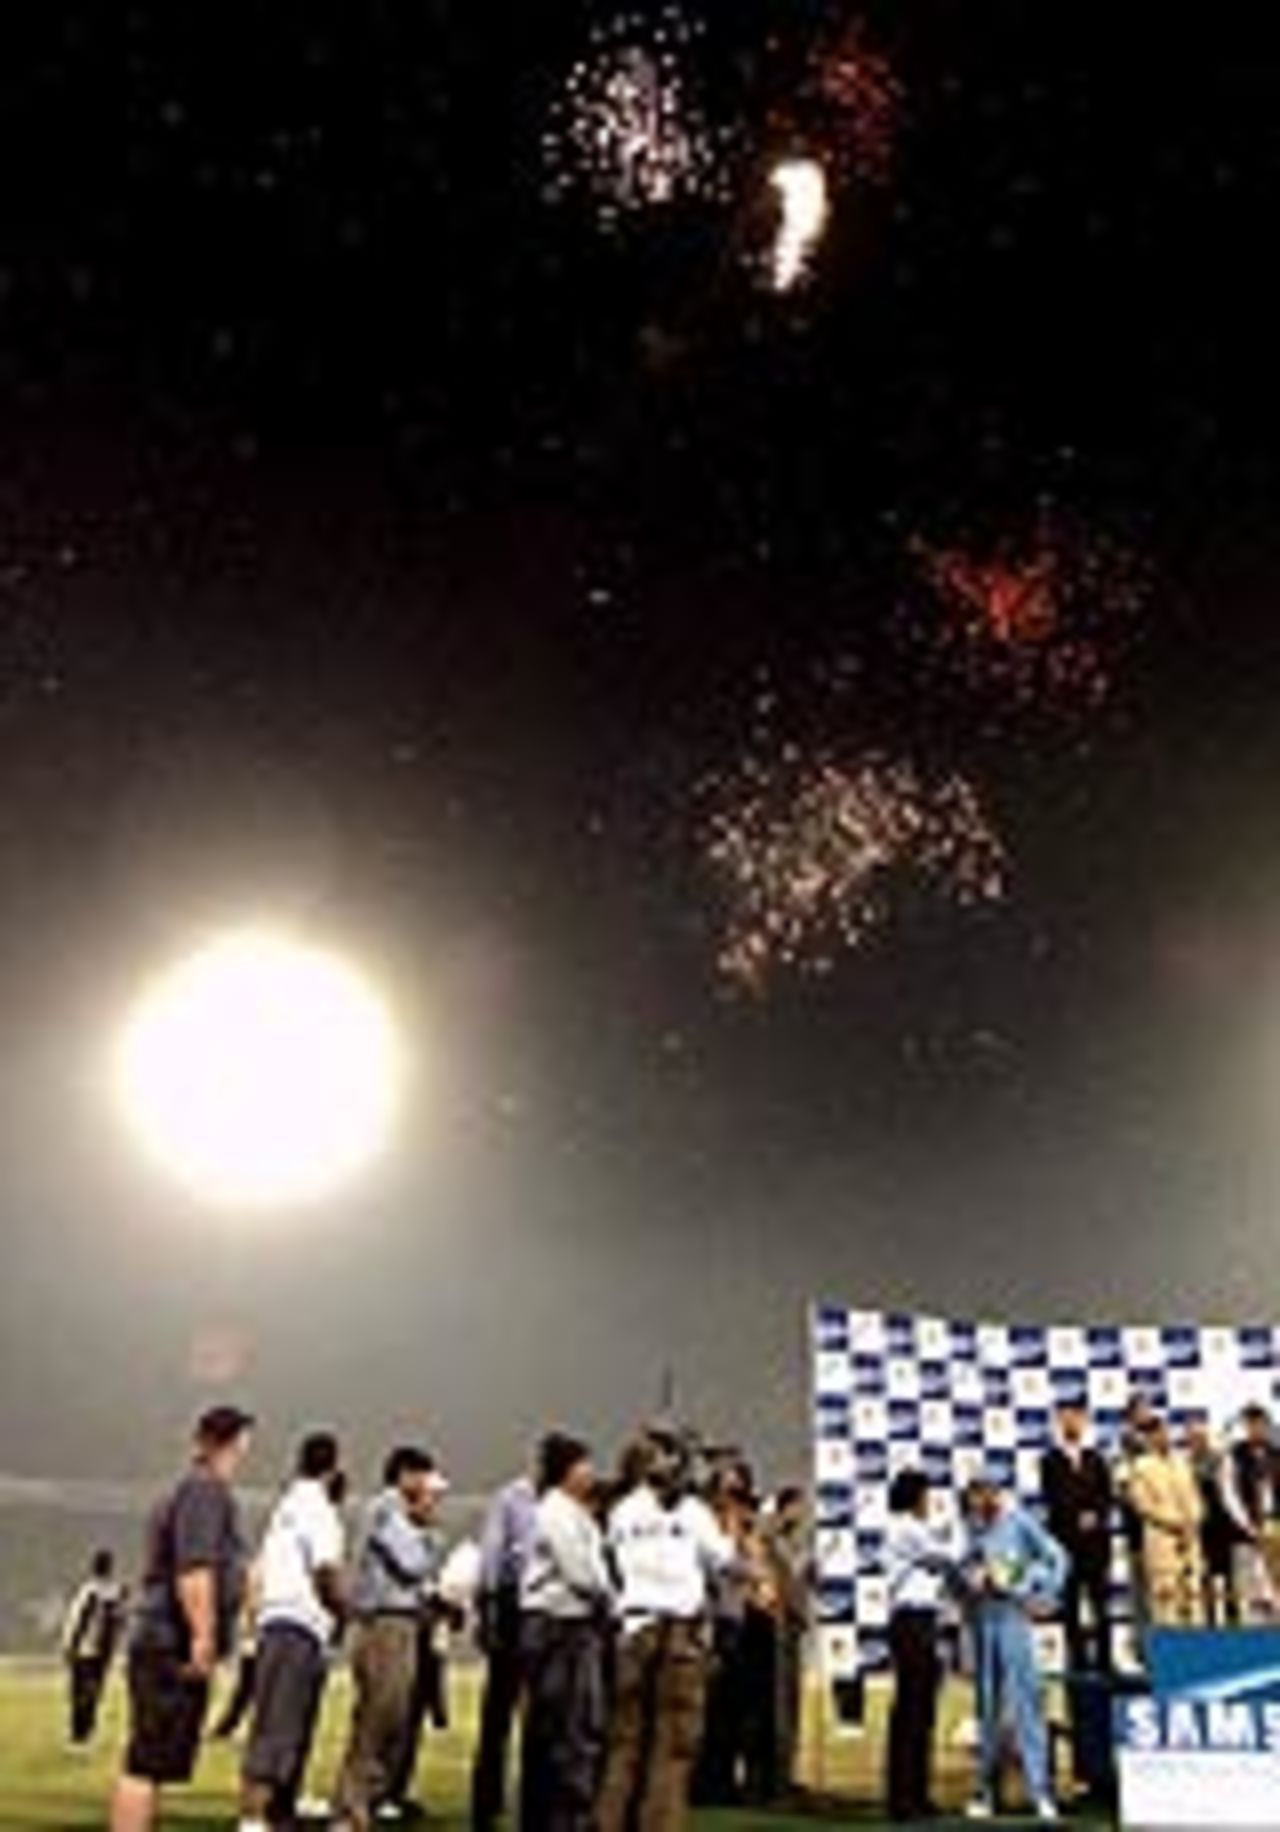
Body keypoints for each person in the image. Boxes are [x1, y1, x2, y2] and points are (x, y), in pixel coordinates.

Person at [109, 1404, 254, 1832]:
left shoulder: (185, 1489)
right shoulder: (205, 1490)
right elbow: (195, 1569)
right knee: (148, 1761)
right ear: (238, 1442)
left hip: (161, 1638)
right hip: (170, 1640)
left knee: (150, 1758)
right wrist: (203, 1637)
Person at [596, 1425, 736, 1832]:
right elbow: (725, 1561)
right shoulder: (694, 1512)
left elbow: (610, 1563)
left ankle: (610, 1823)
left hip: (634, 1632)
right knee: (673, 1749)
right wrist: (724, 1510)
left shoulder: (623, 1511)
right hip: (679, 1637)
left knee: (623, 1745)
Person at [331, 1446, 447, 1832]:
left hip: (400, 1624)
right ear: (405, 1476)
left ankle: (367, 1803)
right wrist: (427, 1527)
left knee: (392, 1718)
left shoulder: (400, 1514)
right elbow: (411, 1563)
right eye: (424, 1480)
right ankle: (350, 1810)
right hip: (384, 1625)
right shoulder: (388, 1510)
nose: (431, 1494)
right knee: (379, 1716)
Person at [238, 1432, 348, 1832]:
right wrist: (346, 1612)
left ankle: (278, 1812)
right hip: (297, 1624)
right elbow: (325, 1572)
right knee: (279, 1726)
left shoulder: (286, 1504)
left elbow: (259, 1570)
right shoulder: (318, 1507)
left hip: (277, 1621)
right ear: (333, 1466)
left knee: (286, 1724)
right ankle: (253, 1819)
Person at [519, 1432, 613, 1832]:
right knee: (568, 1730)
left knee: (564, 1729)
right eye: (584, 1464)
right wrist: (613, 1599)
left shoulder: (574, 1511)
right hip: (559, 1627)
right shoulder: (556, 1511)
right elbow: (580, 1573)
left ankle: (557, 1816)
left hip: (568, 1626)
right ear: (566, 1470)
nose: (591, 1472)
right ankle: (564, 1819)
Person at [961, 1475, 1066, 1824]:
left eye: (981, 1499)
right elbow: (965, 1567)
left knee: (1026, 1705)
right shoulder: (974, 1528)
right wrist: (972, 1578)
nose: (977, 1508)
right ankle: (985, 1792)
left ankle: (1041, 1793)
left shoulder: (1019, 1521)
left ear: (994, 1495)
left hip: (1013, 1619)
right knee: (987, 1708)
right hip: (982, 1621)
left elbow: (1057, 1558)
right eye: (972, 1503)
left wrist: (1039, 1592)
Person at [470, 1465, 539, 1831]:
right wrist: (487, 1611)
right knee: (500, 1711)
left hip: (536, 1606)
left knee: (529, 1713)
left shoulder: (534, 1500)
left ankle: (524, 1800)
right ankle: (487, 1801)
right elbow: (492, 1558)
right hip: (517, 1606)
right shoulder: (514, 1497)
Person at [883, 1470, 954, 1824]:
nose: (929, 1503)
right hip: (909, 1620)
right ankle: (902, 1798)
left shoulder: (913, 1527)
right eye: (926, 1496)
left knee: (922, 1709)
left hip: (923, 1620)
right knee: (911, 1710)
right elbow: (944, 1556)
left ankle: (917, 1793)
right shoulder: (905, 1528)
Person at [1041, 1404, 1113, 1673]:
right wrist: (1077, 1517)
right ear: (1059, 1423)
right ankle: (1077, 1660)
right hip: (1066, 1544)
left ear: (1084, 1423)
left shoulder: (1096, 1459)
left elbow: (1107, 1495)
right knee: (1070, 1606)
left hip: (1096, 1544)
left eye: (1077, 1419)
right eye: (1066, 1419)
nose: (1072, 1424)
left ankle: (1105, 1660)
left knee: (1100, 1604)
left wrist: (1096, 1515)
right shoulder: (1049, 1461)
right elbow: (1054, 1498)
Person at [1128, 1417, 1204, 1627]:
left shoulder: (1181, 1463)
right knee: (1165, 1600)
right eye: (1155, 1434)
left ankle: (1198, 1650)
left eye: (1163, 1432)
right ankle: (1170, 1653)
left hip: (1190, 1541)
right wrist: (1176, 1523)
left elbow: (1194, 1497)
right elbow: (1143, 1505)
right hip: (1161, 1540)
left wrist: (1193, 1521)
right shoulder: (1140, 1467)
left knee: (1194, 1598)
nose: (1162, 1437)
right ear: (1147, 1439)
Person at [762, 1486, 811, 1802]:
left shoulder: (797, 1545)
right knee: (777, 1703)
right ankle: (774, 1778)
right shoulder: (770, 1543)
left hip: (794, 1626)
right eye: (798, 1508)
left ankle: (787, 1772)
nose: (803, 1516)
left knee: (792, 1701)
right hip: (775, 1626)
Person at [62, 1549, 127, 1747]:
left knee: (79, 1693)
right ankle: (87, 1732)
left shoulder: (89, 1592)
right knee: (94, 1693)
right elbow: (120, 1623)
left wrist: (69, 1646)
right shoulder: (115, 1594)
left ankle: (78, 1734)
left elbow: (76, 1621)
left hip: (85, 1650)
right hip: (103, 1652)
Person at [1221, 1404, 1280, 1623]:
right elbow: (1229, 1495)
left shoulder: (1276, 1454)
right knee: (1250, 1592)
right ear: (1245, 1426)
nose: (1257, 1429)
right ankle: (1254, 1644)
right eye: (1252, 1424)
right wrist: (1248, 1526)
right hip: (1246, 1534)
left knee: (1275, 1591)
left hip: (1275, 1528)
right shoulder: (1234, 1456)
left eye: (1261, 1424)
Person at [1185, 1417, 1240, 1625]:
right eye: (1192, 1437)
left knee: (1230, 1577)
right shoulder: (1185, 1464)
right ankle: (1210, 1622)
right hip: (1200, 1528)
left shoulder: (1220, 1459)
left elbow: (1231, 1493)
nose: (1197, 1441)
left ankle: (1233, 1618)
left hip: (1222, 1525)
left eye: (1200, 1436)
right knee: (1205, 1577)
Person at [1114, 1395, 1157, 1632]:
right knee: (1141, 1590)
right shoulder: (1122, 1451)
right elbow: (1122, 1492)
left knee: (1162, 1590)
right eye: (1139, 1412)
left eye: (1147, 1411)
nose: (1145, 1416)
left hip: (1164, 1536)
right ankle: (1143, 1644)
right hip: (1139, 1531)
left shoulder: (1161, 1448)